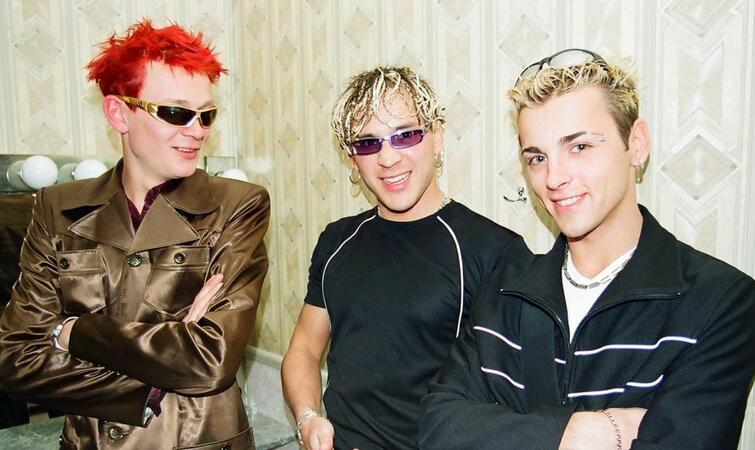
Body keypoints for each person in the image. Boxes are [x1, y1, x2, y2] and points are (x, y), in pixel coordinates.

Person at [419, 48, 755, 450]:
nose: (554, 178)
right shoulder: (504, 291)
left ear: (636, 144)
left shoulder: (719, 302)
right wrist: (583, 432)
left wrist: (506, 430)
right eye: (537, 157)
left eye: (579, 147)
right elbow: (439, 426)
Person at [0, 20, 270, 449]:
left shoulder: (237, 205)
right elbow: (17, 361)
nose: (197, 130)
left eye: (207, 115)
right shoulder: (57, 208)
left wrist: (72, 332)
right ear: (118, 113)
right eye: (176, 112)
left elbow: (210, 361)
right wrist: (160, 370)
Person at [281, 66, 529, 450]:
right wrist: (308, 418)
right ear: (352, 160)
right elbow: (304, 349)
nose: (387, 158)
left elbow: (516, 398)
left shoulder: (494, 251)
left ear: (437, 139)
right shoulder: (337, 241)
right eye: (368, 143)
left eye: (405, 135)